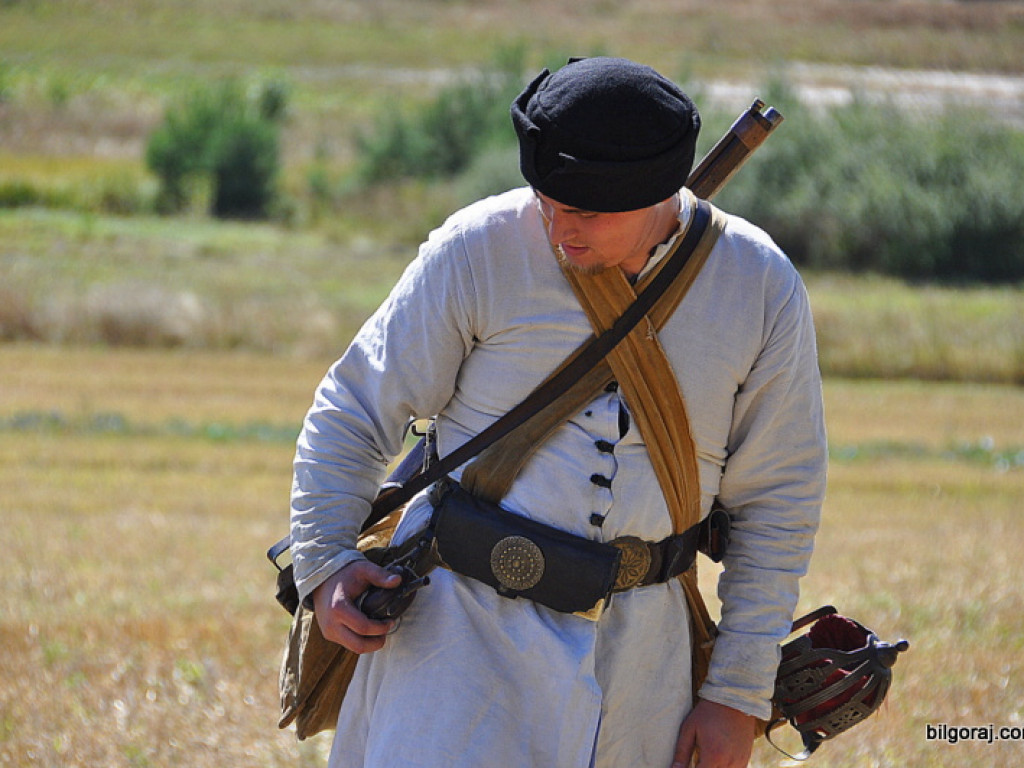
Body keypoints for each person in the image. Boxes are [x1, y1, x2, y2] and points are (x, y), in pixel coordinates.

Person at [290, 56, 827, 768]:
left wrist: (736, 693)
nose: (556, 228)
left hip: (644, 665)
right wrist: (326, 562)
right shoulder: (479, 248)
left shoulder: (759, 286)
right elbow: (355, 408)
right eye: (546, 200)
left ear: (658, 192)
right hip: (455, 642)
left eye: (585, 211)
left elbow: (777, 505)